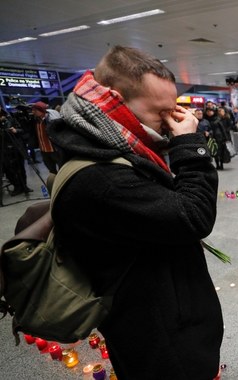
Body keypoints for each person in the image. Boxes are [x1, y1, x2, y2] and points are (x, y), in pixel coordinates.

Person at [47, 46, 223, 379]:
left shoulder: (114, 146)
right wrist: (190, 145)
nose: (171, 122)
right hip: (160, 340)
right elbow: (194, 216)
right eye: (162, 112)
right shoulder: (100, 177)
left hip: (168, 320)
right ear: (116, 100)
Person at [0, 108, 32, 195]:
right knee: (10, 170)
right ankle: (17, 187)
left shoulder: (10, 117)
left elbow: (21, 130)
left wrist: (16, 130)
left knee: (21, 168)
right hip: (4, 150)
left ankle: (24, 186)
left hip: (17, 147)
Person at [31, 101, 62, 174]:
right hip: (44, 151)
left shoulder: (50, 119)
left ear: (41, 110)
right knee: (52, 171)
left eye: (35, 110)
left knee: (62, 169)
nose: (33, 112)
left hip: (54, 150)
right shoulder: (36, 121)